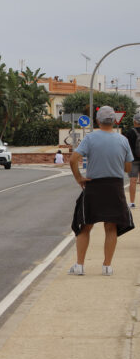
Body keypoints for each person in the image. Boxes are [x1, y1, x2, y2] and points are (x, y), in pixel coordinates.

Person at [68, 106, 134, 276]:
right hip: (114, 186)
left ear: (97, 120)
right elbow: (128, 168)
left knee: (85, 226)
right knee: (111, 227)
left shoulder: (90, 138)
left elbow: (73, 159)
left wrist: (79, 178)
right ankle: (107, 266)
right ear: (114, 121)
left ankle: (80, 266)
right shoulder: (123, 140)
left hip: (94, 186)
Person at [123, 113, 140, 208]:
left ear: (134, 121)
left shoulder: (130, 132)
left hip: (133, 160)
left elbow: (126, 147)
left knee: (133, 180)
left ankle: (132, 202)